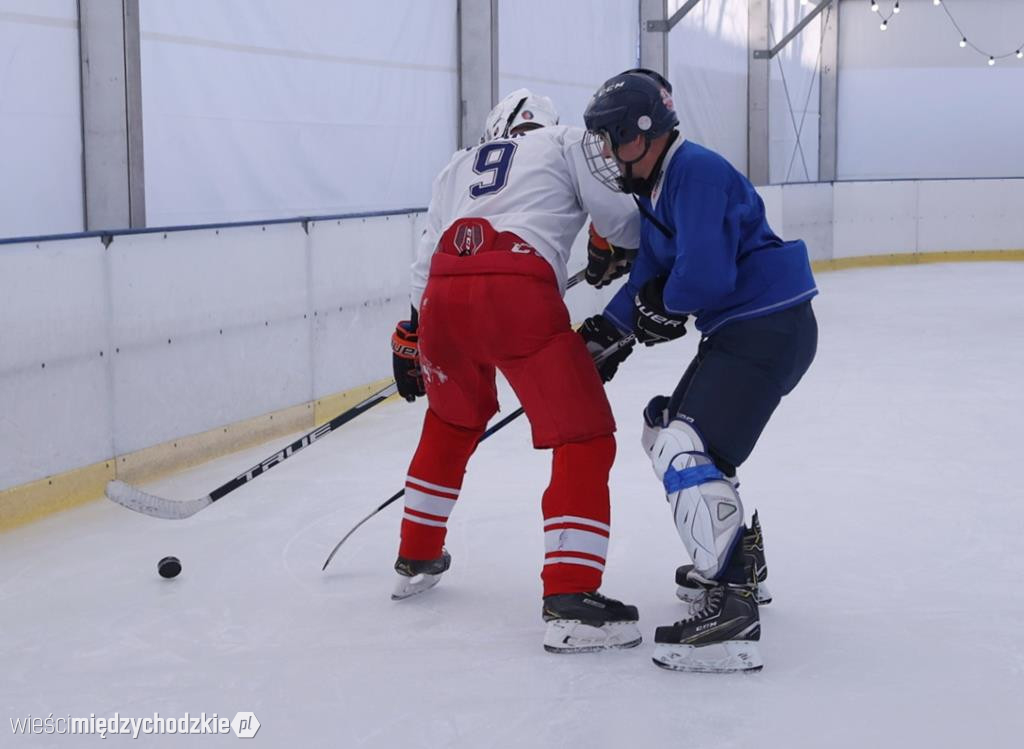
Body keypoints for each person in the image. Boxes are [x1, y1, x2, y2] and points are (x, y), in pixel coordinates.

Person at [577, 69, 819, 672]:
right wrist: (612, 330)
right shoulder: (656, 187)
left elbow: (702, 277)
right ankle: (742, 563)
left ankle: (733, 606)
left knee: (686, 445)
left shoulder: (697, 172)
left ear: (650, 131)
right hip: (746, 327)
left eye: (616, 138)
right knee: (666, 431)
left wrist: (660, 303)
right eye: (602, 140)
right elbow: (652, 277)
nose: (608, 152)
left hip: (767, 324)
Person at [389, 89, 643, 653]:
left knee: (450, 423)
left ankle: (417, 554)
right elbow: (621, 220)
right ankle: (572, 596)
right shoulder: (567, 140)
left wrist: (411, 333)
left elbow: (425, 257)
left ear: (496, 126)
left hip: (442, 298)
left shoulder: (458, 164)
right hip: (518, 292)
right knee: (583, 435)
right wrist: (611, 248)